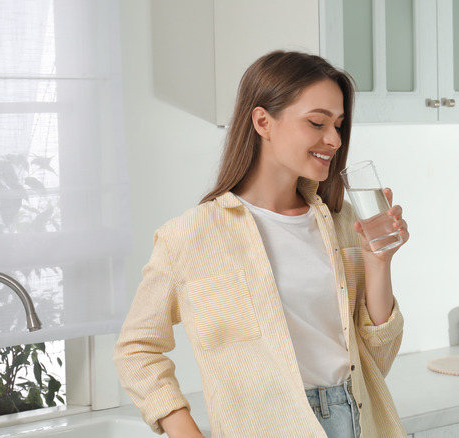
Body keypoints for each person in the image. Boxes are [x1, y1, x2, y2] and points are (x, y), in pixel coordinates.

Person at [114, 50, 409, 438]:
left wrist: (378, 262)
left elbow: (377, 362)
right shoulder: (189, 236)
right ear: (262, 121)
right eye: (317, 122)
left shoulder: (345, 222)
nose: (334, 139)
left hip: (357, 421)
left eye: (339, 125)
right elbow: (137, 349)